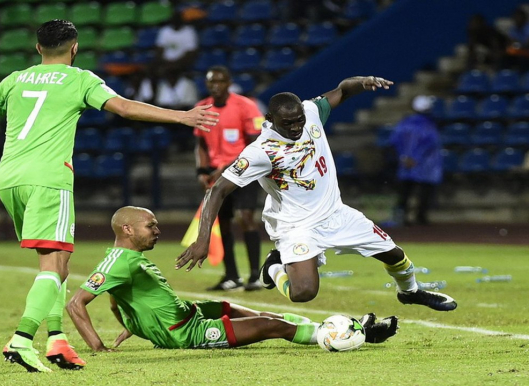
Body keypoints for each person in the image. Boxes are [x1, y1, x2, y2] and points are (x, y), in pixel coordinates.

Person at [0, 19, 219, 373]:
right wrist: (182, 115)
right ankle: (21, 340)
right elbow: (124, 108)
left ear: (38, 49)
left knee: (57, 263)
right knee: (53, 264)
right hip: (48, 178)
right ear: (75, 47)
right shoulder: (80, 79)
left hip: (8, 178)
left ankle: (57, 341)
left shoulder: (16, 79)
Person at [176, 76, 458, 313]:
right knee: (304, 293)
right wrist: (202, 239)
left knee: (394, 254)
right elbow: (217, 191)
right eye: (289, 124)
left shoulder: (310, 112)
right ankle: (274, 269)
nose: (297, 127)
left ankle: (409, 292)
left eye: (299, 120)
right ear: (271, 119)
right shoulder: (260, 153)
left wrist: (362, 82)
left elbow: (342, 90)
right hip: (297, 226)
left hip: (336, 213)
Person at [67, 206, 398, 351]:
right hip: (186, 333)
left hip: (190, 313)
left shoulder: (129, 260)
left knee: (258, 313)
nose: (157, 230)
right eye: (149, 226)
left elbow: (115, 298)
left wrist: (135, 322)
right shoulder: (118, 261)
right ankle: (350, 334)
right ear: (127, 229)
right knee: (273, 327)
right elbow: (76, 304)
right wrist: (98, 347)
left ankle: (345, 328)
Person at [194, 66, 264, 292]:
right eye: (211, 82)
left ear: (229, 82)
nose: (216, 86)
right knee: (222, 223)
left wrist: (226, 166)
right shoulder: (202, 108)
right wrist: (202, 171)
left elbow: (255, 143)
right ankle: (231, 276)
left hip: (245, 172)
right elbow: (201, 144)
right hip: (216, 175)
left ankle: (255, 275)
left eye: (220, 81)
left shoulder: (246, 106)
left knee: (245, 218)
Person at [389, 95, 442, 226]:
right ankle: (420, 218)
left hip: (405, 163)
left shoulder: (404, 123)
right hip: (424, 165)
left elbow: (394, 141)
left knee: (405, 192)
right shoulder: (428, 125)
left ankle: (401, 217)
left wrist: (404, 157)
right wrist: (416, 158)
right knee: (425, 192)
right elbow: (431, 143)